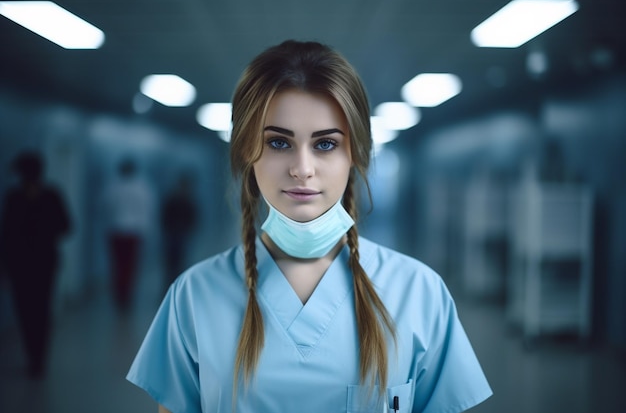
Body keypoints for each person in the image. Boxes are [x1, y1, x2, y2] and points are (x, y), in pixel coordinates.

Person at [127, 40, 492, 412]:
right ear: (247, 153)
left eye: (326, 144)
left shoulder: (419, 294)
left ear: (355, 155)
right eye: (279, 142)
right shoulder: (193, 298)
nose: (302, 168)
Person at [0, 150, 71, 378]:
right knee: (27, 309)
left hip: (38, 262)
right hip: (28, 262)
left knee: (38, 308)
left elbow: (66, 225)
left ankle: (37, 358)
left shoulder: (42, 196)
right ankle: (34, 355)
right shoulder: (24, 196)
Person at [102, 156, 155, 309]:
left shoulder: (112, 186)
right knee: (130, 265)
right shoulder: (142, 187)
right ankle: (127, 296)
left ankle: (120, 296)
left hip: (116, 231)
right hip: (134, 232)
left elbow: (106, 206)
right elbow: (147, 209)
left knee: (117, 265)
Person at [160, 173, 197, 288]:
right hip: (174, 234)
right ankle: (172, 283)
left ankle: (173, 284)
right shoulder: (182, 200)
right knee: (173, 261)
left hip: (179, 234)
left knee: (177, 261)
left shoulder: (182, 200)